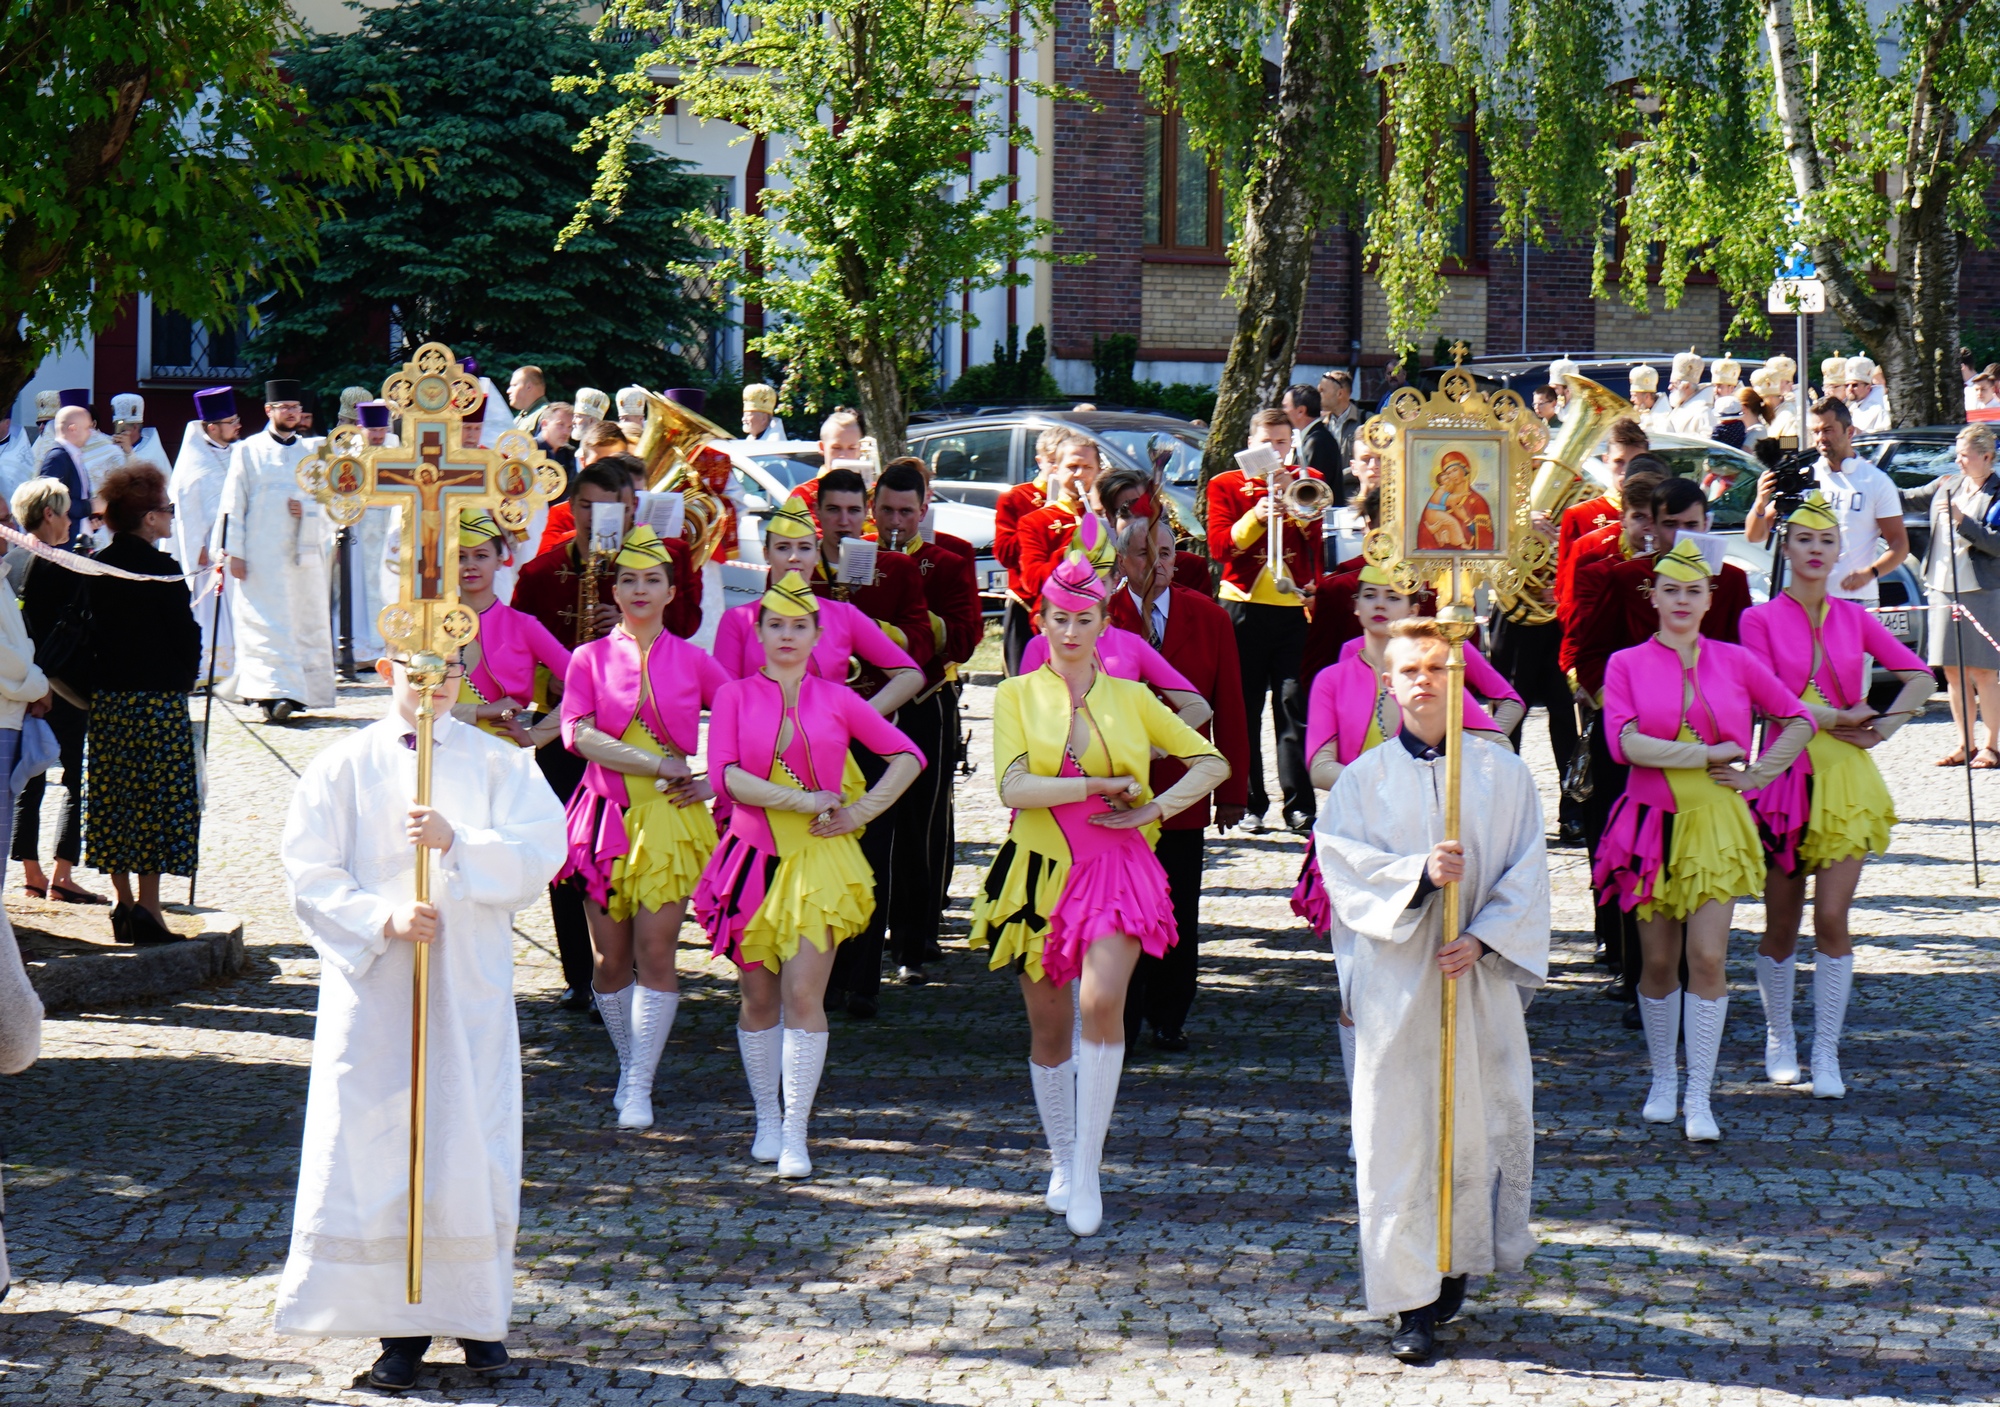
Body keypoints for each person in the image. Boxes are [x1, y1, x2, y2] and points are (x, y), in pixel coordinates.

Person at [274, 653, 565, 1390]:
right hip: (378, 988)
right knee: (383, 1141)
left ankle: (475, 1314)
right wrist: (383, 915)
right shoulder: (342, 766)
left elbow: (541, 851)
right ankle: (397, 1324)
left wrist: (459, 841)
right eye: (417, 671)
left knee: (471, 1135)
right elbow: (308, 871)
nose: (434, 686)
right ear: (384, 669)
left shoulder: (499, 764)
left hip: (466, 984)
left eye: (449, 671)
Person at [1314, 618, 1550, 1366]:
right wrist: (1419, 874)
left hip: (1470, 972)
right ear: (1388, 683)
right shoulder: (1362, 779)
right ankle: (1406, 1296)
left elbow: (1527, 869)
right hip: (1397, 978)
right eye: (1409, 669)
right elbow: (1343, 869)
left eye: (1438, 668)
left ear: (1459, 679)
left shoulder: (1501, 773)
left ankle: (1450, 1258)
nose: (1423, 681)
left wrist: (1482, 938)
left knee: (1473, 1120)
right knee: (1398, 1131)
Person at [969, 554, 1226, 1236]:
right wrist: (1095, 787)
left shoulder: (1133, 696)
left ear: (1105, 622)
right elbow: (1013, 787)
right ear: (1040, 621)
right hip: (1039, 868)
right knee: (1050, 1029)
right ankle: (1062, 1155)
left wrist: (1153, 810)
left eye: (1086, 619)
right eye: (1061, 618)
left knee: (1102, 1001)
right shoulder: (1015, 695)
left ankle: (1088, 1170)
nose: (1073, 631)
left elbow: (1212, 758)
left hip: (1118, 866)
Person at [693, 572, 923, 1177]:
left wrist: (857, 812)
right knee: (757, 996)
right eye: (776, 625)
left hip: (817, 867)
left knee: (803, 994)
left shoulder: (839, 699)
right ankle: (766, 1118)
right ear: (759, 631)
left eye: (799, 626)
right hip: (749, 859)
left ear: (818, 635)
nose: (787, 636)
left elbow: (909, 756)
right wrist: (805, 801)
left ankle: (795, 1129)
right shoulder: (737, 695)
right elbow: (725, 777)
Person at [1593, 537, 1813, 1142]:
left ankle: (1699, 1095)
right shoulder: (1626, 664)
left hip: (1716, 826)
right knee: (1658, 961)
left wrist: (1758, 776)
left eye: (1694, 591)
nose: (1683, 600)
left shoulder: (1736, 661)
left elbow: (1799, 718)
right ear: (1655, 597)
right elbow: (1625, 745)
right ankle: (1664, 1077)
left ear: (1709, 598)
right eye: (1672, 590)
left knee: (1709, 957)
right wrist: (1709, 753)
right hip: (1648, 825)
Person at [1297, 566, 1517, 1119]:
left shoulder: (1432, 671)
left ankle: (1431, 1107)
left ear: (1409, 604)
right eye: (1368, 595)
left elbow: (1497, 729)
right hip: (1357, 845)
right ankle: (1367, 1114)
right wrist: (1382, 777)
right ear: (1353, 606)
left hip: (1434, 843)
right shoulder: (1333, 677)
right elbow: (1319, 765)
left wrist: (1460, 763)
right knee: (1355, 991)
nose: (1379, 605)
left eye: (1392, 596)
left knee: (1428, 975)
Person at [1741, 493, 1932, 1096]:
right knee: (1780, 922)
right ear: (1787, 548)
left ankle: (1827, 1051)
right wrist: (1840, 715)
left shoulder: (1857, 618)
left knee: (1831, 917)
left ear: (1839, 550)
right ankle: (1780, 1037)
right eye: (1804, 541)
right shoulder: (1759, 619)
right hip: (1783, 776)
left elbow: (1921, 677)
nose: (1816, 551)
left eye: (1827, 542)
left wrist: (1880, 725)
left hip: (1847, 783)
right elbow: (1768, 696)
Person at [558, 526, 728, 1129]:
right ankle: (630, 1061)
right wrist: (659, 762)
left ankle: (639, 1082)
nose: (638, 589)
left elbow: (743, 720)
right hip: (603, 818)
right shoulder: (588, 658)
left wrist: (714, 781)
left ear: (670, 591)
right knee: (610, 959)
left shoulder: (695, 660)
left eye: (651, 579)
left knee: (656, 952)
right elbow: (575, 732)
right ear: (616, 587)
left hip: (669, 824)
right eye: (628, 579)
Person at [1103, 512, 1248, 1051]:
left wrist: (1233, 792)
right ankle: (1120, 1014)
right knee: (1120, 907)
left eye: (1166, 553)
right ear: (1122, 558)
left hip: (1182, 791)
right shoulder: (1102, 615)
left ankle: (1170, 1013)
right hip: (1116, 790)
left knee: (1176, 903)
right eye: (1144, 554)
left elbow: (1229, 704)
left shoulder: (1206, 616)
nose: (1157, 565)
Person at [806, 468, 933, 1016]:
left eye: (853, 511)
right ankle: (817, 975)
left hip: (872, 724)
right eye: (834, 510)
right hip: (808, 734)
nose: (844, 521)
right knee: (816, 845)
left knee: (873, 850)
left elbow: (923, 643)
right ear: (819, 514)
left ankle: (861, 981)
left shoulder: (898, 568)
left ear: (867, 515)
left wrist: (867, 625)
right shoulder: (797, 566)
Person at [870, 459, 983, 983]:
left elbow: (964, 637)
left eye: (906, 512)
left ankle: (915, 939)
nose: (896, 522)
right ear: (873, 507)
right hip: (862, 703)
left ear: (923, 510)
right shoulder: (853, 558)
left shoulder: (947, 562)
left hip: (924, 700)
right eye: (887, 510)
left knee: (922, 822)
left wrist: (903, 624)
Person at [82, 464, 203, 944]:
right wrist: (183, 678)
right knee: (154, 804)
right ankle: (149, 911)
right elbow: (185, 635)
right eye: (166, 510)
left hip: (110, 704)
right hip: (156, 705)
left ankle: (122, 904)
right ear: (148, 519)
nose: (171, 517)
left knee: (115, 802)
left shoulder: (97, 567)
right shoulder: (162, 569)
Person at [1205, 408, 1324, 832]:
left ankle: (1298, 804)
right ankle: (1249, 801)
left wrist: (1295, 501)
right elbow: (1220, 548)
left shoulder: (1306, 480)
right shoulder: (1226, 484)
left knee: (1294, 705)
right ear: (1251, 442)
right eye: (1266, 442)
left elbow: (1314, 544)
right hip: (1243, 605)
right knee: (1245, 707)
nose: (1274, 450)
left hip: (1292, 606)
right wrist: (1256, 515)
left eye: (1281, 442)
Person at [216, 379, 334, 722]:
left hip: (302, 559)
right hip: (260, 558)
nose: (292, 413)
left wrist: (309, 511)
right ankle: (270, 695)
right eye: (285, 407)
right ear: (269, 410)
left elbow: (332, 505)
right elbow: (232, 505)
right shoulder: (248, 451)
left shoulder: (313, 454)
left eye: (296, 408)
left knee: (302, 623)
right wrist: (233, 552)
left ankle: (299, 696)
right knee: (264, 625)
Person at [9, 480, 97, 906]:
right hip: (64, 685)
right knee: (74, 778)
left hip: (25, 684)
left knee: (31, 776)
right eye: (64, 512)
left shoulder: (13, 560)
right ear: (49, 514)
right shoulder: (67, 563)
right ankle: (63, 873)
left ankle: (31, 873)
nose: (68, 521)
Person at [1744, 397, 1907, 609]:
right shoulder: (1802, 478)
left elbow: (1899, 545)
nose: (1821, 438)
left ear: (1849, 432)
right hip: (1804, 599)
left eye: (1828, 430)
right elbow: (1755, 535)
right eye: (1816, 431)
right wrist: (1759, 503)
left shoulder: (1876, 481)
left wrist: (1870, 573)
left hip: (1856, 599)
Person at [1904, 423, 2000, 766]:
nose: (1958, 462)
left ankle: (1992, 745)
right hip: (1942, 586)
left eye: (1965, 455)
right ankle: (1965, 744)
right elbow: (1908, 497)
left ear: (1986, 456)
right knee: (1953, 671)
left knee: (1984, 671)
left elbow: (1997, 543)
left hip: (1981, 589)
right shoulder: (1948, 484)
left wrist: (1962, 521)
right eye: (1956, 455)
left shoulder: (1998, 492)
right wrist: (1873, 487)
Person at [169, 385, 240, 685]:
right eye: (231, 422)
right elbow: (187, 514)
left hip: (235, 548)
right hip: (206, 558)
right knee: (210, 614)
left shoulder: (238, 452)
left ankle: (235, 669)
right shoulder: (193, 464)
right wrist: (198, 550)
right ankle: (208, 669)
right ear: (212, 427)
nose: (238, 425)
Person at [993, 434, 1053, 674]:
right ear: (1041, 461)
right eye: (1054, 462)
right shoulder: (1017, 497)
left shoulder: (1085, 502)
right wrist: (1045, 517)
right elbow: (1005, 553)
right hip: (1026, 603)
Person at [37, 404, 96, 546]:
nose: (91, 433)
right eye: (88, 428)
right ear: (73, 428)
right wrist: (89, 507)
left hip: (77, 542)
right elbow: (49, 501)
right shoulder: (57, 458)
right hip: (63, 546)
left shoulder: (72, 456)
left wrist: (91, 519)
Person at [1284, 383, 1344, 483]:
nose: (1283, 412)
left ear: (1300, 411)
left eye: (1285, 407)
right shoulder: (1315, 438)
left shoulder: (1318, 442)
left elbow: (1313, 487)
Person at [1317, 369, 1363, 479]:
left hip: (1353, 493)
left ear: (1340, 393)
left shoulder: (1365, 421)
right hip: (1326, 492)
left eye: (1322, 391)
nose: (1318, 395)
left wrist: (1338, 477)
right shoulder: (1320, 425)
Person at [108, 394, 171, 473]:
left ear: (135, 427)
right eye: (116, 427)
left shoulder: (153, 454)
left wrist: (129, 453)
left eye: (123, 429)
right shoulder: (112, 448)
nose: (119, 433)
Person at [1666, 350, 1715, 438]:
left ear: (1687, 386)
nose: (1669, 387)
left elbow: (1709, 444)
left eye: (1674, 384)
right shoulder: (1678, 408)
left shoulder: (1703, 412)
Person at [1844, 356, 1890, 433]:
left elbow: (1883, 436)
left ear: (1868, 387)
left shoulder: (1881, 408)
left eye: (1854, 385)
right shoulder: (1851, 408)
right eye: (1847, 385)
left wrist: (1858, 432)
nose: (1849, 389)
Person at [1628, 365, 1670, 437]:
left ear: (1647, 396)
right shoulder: (1641, 412)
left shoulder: (1664, 419)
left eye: (1634, 396)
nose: (1631, 400)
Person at [507, 364, 548, 433]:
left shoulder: (546, 415)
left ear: (529, 387)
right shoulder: (521, 417)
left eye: (514, 385)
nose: (508, 391)